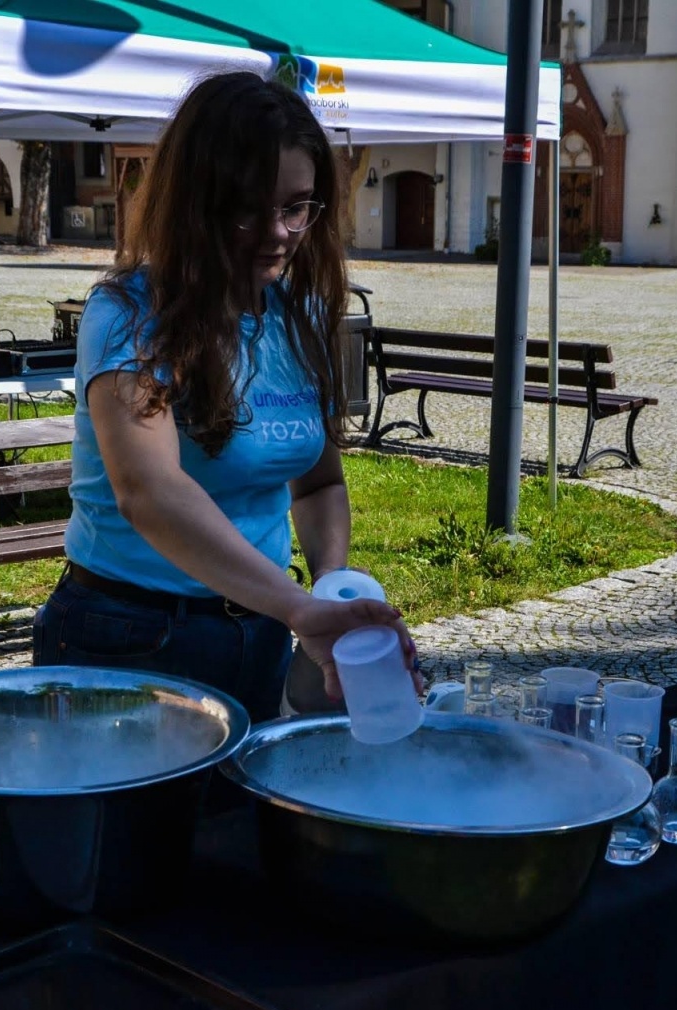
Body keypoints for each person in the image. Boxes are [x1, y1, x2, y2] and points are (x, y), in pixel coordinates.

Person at [32, 70, 416, 720]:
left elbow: (319, 484)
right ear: (194, 201)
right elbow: (148, 491)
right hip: (127, 635)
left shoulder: (297, 312)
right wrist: (297, 606)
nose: (278, 234)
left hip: (258, 630)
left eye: (296, 207)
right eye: (247, 209)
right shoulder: (127, 314)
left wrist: (328, 584)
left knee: (248, 823)